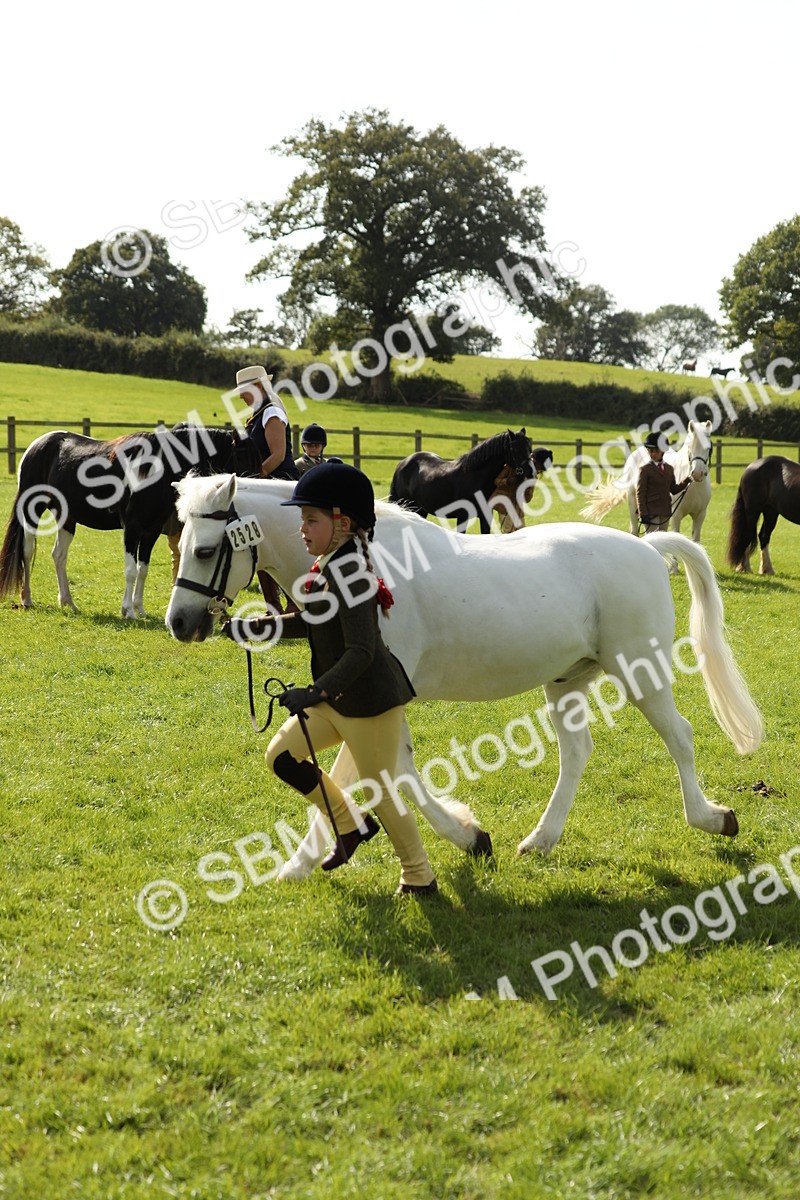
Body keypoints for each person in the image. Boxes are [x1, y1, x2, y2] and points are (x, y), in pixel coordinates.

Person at [260, 461, 438, 895]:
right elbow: (313, 620)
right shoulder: (330, 563)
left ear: (341, 523)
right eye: (301, 520)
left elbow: (360, 651)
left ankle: (420, 876)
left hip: (370, 701)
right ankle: (350, 825)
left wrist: (314, 692)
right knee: (281, 756)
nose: (301, 529)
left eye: (311, 520)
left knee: (380, 792)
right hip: (337, 699)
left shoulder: (352, 572)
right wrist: (260, 628)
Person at [236, 364, 299, 612]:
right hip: (261, 486)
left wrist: (255, 477)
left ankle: (294, 603)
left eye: (244, 389)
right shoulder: (256, 414)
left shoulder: (272, 413)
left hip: (278, 484)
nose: (240, 395)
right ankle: (271, 605)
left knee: (283, 546)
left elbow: (278, 455)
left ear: (258, 387)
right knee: (257, 543)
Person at [635, 431, 690, 534]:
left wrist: (687, 481)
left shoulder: (669, 469)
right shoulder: (645, 469)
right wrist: (643, 513)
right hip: (651, 512)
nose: (653, 454)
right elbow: (640, 493)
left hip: (665, 511)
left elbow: (673, 490)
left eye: (656, 451)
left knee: (662, 542)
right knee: (652, 542)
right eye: (651, 451)